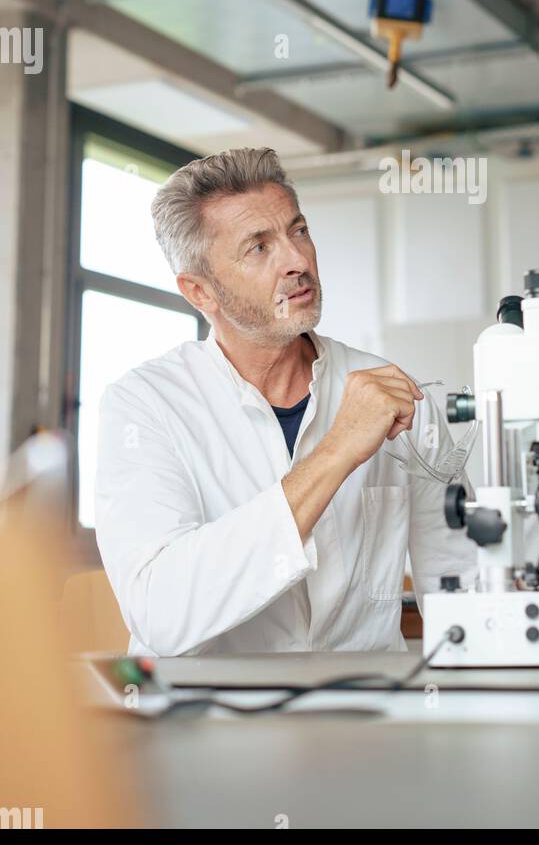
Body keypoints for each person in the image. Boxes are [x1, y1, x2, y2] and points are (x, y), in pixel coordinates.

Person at [96, 148, 476, 657]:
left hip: (368, 719)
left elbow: (466, 589)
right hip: (210, 724)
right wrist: (337, 451)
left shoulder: (394, 394)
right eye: (259, 247)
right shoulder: (144, 407)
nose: (297, 260)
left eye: (298, 231)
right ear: (199, 291)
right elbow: (160, 612)